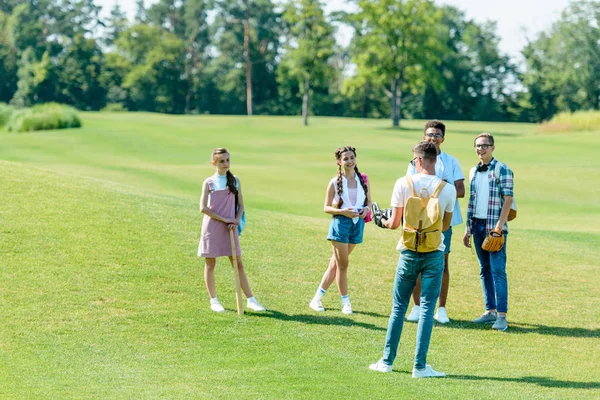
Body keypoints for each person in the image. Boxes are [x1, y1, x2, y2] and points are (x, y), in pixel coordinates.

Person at [370, 142, 456, 377]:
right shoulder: (447, 189)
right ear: (435, 160)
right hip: (434, 253)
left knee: (399, 308)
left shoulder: (403, 183)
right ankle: (419, 366)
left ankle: (387, 361)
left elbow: (394, 223)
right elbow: (445, 226)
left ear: (417, 161)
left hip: (408, 252)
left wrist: (383, 221)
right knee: (428, 309)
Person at [405, 120, 465, 324]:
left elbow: (460, 190)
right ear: (424, 137)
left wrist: (438, 188)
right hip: (418, 220)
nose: (433, 138)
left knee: (442, 265)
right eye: (430, 135)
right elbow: (410, 188)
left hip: (442, 220)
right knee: (416, 264)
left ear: (443, 139)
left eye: (437, 135)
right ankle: (417, 307)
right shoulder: (415, 161)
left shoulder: (450, 161)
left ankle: (441, 308)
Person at [198, 148, 265, 313]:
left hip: (230, 228)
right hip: (212, 228)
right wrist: (225, 219)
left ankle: (251, 299)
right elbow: (203, 208)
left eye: (228, 160)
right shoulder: (208, 182)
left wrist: (235, 219)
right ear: (214, 163)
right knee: (210, 264)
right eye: (222, 161)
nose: (226, 164)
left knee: (238, 264)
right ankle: (213, 300)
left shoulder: (235, 180)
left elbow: (241, 205)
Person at [309, 146, 372, 315]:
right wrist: (342, 211)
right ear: (339, 162)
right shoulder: (334, 182)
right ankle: (346, 302)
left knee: (335, 264)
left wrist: (366, 209)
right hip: (341, 225)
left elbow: (369, 203)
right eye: (346, 159)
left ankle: (316, 299)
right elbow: (326, 207)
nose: (349, 161)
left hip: (357, 224)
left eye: (352, 157)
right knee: (343, 265)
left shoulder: (363, 179)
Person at [463, 133, 513, 331]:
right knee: (484, 269)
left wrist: (499, 228)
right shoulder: (473, 171)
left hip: (494, 227)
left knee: (498, 271)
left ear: (492, 147)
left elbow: (508, 200)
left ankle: (501, 316)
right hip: (477, 225)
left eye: (484, 146)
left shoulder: (503, 169)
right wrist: (468, 228)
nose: (480, 149)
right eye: (477, 146)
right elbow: (472, 202)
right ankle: (489, 310)